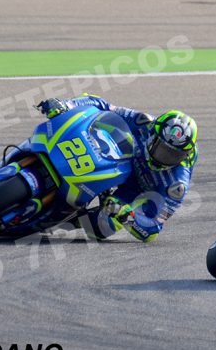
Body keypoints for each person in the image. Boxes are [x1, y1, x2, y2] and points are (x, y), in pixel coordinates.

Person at [37, 94, 198, 242]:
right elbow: (102, 105)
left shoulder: (176, 185)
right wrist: (67, 105)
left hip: (134, 191)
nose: (165, 158)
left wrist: (129, 215)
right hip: (120, 159)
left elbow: (153, 229)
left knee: (103, 227)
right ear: (153, 136)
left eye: (173, 155)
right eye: (162, 150)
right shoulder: (144, 122)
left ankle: (65, 222)